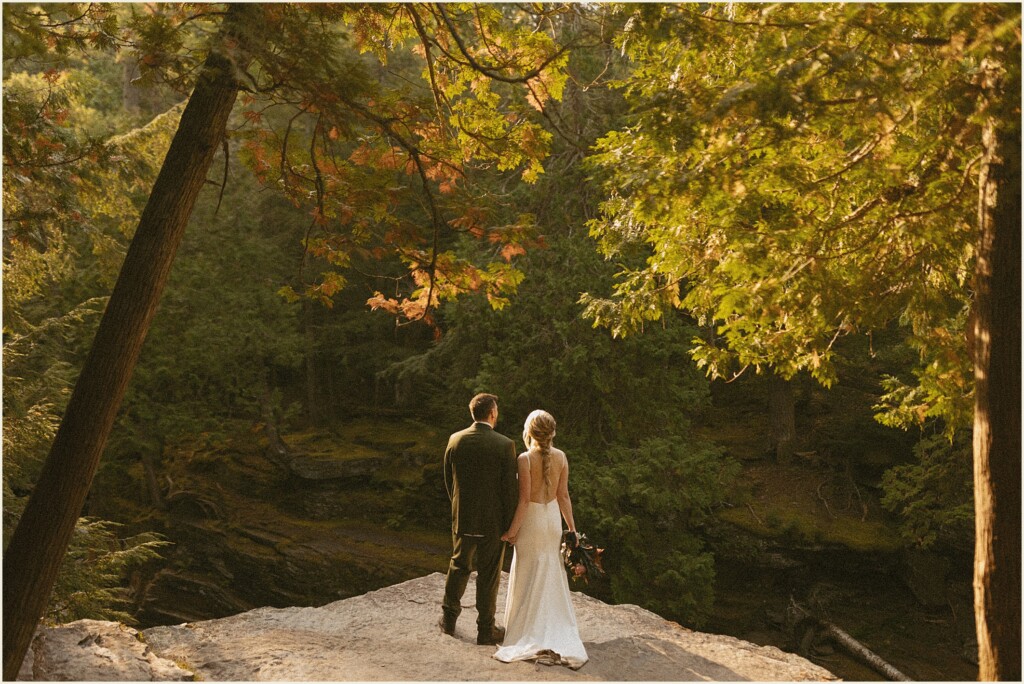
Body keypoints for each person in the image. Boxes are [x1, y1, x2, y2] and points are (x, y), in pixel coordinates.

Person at [493, 410, 588, 669]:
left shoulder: (524, 459)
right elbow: (564, 496)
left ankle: (525, 629)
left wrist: (512, 531)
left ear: (529, 432)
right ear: (552, 432)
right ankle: (553, 625)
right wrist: (572, 528)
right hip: (551, 520)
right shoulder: (562, 457)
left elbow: (524, 500)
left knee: (527, 570)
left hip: (532, 520)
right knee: (550, 568)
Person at [440, 393, 519, 645]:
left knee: (458, 565)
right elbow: (509, 490)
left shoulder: (456, 440)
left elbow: (448, 480)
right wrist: (510, 524)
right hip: (492, 522)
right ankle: (485, 630)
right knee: (488, 574)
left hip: (463, 517)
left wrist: (458, 507)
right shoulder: (505, 444)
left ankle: (449, 620)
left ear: (472, 413)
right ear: (492, 414)